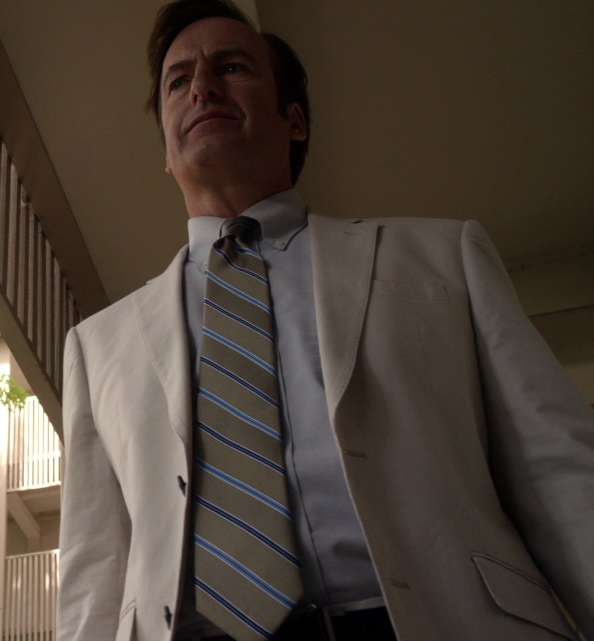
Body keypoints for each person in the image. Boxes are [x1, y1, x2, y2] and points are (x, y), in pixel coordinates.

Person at [56, 1, 594, 640]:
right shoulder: (97, 346)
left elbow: (557, 471)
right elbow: (95, 573)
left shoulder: (444, 258)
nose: (201, 87)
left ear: (295, 120)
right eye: (178, 81)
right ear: (166, 153)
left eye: (231, 67)